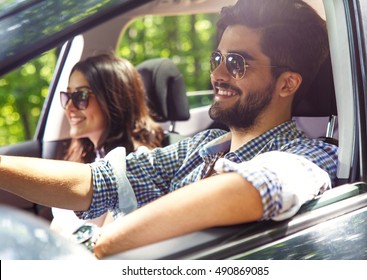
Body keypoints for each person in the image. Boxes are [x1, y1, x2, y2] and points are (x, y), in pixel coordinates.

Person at [0, 0, 338, 259]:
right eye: (216, 58)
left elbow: (254, 187)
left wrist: (90, 249)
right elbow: (97, 181)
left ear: (287, 84)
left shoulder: (312, 155)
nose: (217, 74)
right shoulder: (202, 147)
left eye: (236, 62)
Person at [50, 54, 164, 235]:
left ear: (112, 99)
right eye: (68, 96)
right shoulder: (86, 154)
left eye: (81, 96)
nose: (69, 106)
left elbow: (107, 241)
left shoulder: (132, 166)